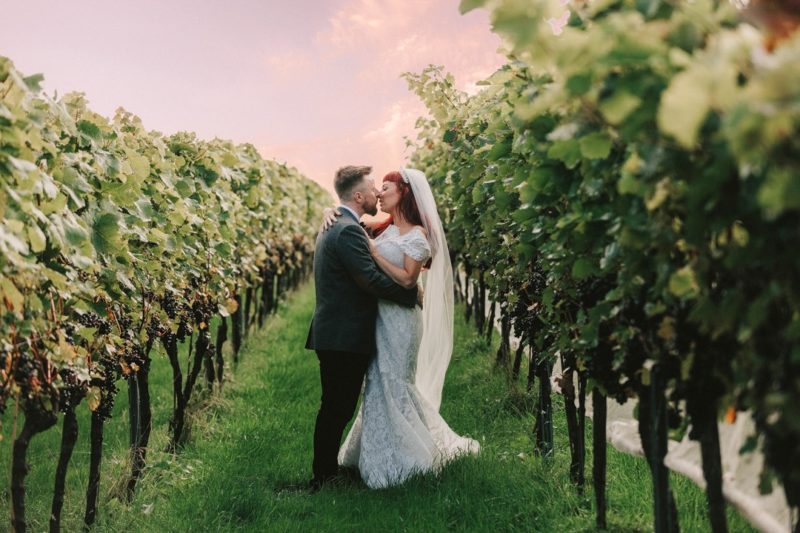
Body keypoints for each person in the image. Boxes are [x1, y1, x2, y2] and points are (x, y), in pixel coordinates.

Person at [322, 168, 480, 489]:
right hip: (379, 318)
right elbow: (347, 219)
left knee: (395, 381)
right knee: (377, 380)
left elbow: (409, 279)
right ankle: (377, 451)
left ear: (404, 193)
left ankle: (408, 457)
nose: (379, 192)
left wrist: (376, 252)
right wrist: (331, 210)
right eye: (378, 187)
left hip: (401, 319)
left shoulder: (417, 235)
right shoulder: (384, 228)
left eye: (386, 187)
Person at [305, 165, 420, 491]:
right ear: (358, 196)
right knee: (336, 408)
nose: (376, 194)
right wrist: (410, 294)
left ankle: (325, 472)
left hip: (336, 332)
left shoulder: (339, 224)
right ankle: (323, 477)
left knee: (335, 406)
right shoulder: (346, 230)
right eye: (372, 189)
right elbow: (368, 279)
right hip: (343, 334)